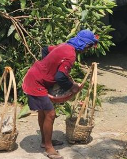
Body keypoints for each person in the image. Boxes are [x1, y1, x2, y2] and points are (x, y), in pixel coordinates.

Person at [22, 30, 99, 159]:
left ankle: (44, 142)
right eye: (88, 46)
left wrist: (46, 66)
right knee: (50, 114)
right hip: (36, 83)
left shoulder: (64, 46)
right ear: (84, 44)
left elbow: (46, 50)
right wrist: (72, 87)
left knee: (43, 111)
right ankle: (48, 148)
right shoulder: (70, 55)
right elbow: (60, 77)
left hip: (36, 75)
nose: (86, 50)